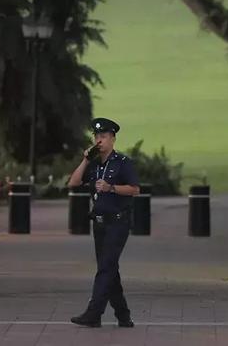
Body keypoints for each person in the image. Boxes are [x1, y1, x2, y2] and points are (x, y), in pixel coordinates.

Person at [67, 117, 140, 328]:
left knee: (105, 268)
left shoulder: (123, 163)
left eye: (104, 137)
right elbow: (73, 182)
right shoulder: (94, 165)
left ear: (113, 139)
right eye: (97, 137)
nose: (99, 141)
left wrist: (111, 188)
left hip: (118, 223)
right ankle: (123, 316)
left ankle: (93, 313)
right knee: (109, 270)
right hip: (99, 224)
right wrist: (85, 160)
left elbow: (135, 190)